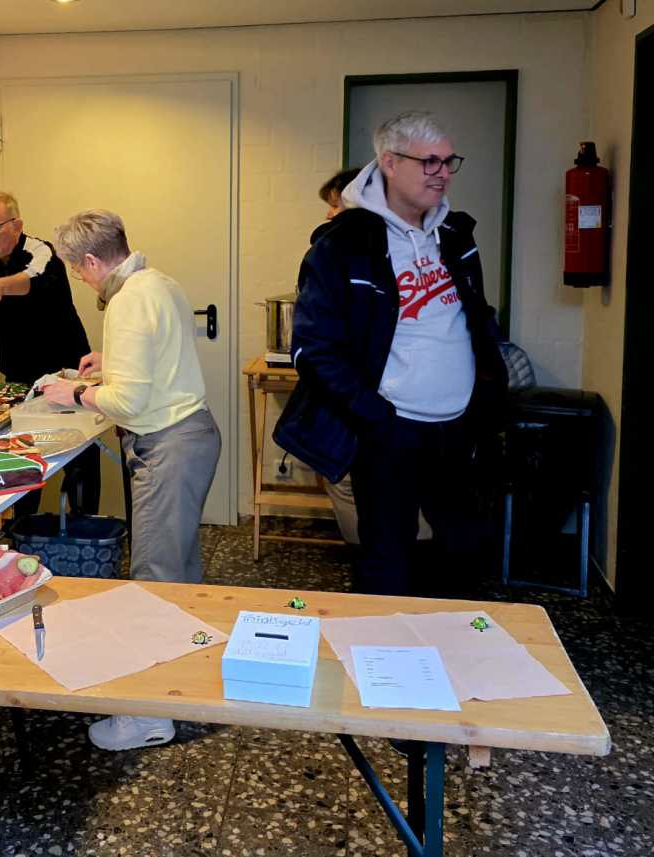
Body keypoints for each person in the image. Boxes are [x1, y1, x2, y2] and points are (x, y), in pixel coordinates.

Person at [275, 110, 506, 596]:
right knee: (386, 560)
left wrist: (486, 391)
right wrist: (375, 416)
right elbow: (313, 349)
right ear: (390, 163)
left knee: (465, 553)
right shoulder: (342, 247)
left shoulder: (455, 236)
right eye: (429, 162)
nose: (443, 173)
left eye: (448, 161)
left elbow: (477, 317)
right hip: (390, 431)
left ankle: (453, 641)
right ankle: (383, 643)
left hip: (457, 428)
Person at [42, 209, 221, 751]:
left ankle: (148, 717)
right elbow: (157, 357)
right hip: (190, 436)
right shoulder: (156, 281)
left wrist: (74, 392)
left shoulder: (125, 301)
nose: (81, 279)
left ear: (92, 260)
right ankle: (184, 677)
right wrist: (113, 361)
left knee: (154, 578)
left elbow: (129, 402)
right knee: (178, 570)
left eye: (78, 269)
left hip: (169, 446)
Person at [308, 168, 433, 547]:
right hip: (381, 403)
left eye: (336, 205)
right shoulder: (410, 248)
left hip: (380, 404)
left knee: (360, 484)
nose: (329, 214)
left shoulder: (356, 254)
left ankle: (397, 556)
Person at [0, 191, 99, 516]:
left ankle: (84, 529)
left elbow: (34, 284)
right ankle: (23, 530)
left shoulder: (41, 252)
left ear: (17, 225)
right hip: (18, 375)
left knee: (80, 455)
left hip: (65, 370)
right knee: (22, 456)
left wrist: (0, 286)